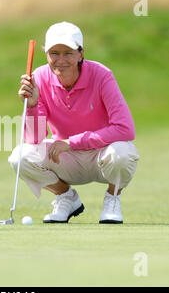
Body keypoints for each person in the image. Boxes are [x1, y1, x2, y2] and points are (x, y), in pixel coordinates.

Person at [9, 21, 140, 224]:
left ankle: (112, 199)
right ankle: (66, 198)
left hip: (101, 154)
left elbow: (125, 129)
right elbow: (35, 139)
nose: (60, 60)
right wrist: (33, 104)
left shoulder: (101, 75)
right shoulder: (39, 77)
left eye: (68, 53)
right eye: (54, 53)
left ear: (80, 54)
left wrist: (72, 142)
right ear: (46, 54)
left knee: (123, 152)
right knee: (20, 157)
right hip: (64, 159)